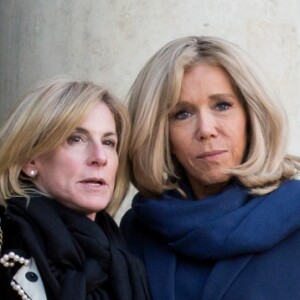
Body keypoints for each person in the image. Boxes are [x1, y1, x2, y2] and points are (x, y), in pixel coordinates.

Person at [120, 35, 300, 300]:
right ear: (162, 134)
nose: (205, 129)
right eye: (182, 113)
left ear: (251, 118)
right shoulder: (139, 229)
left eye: (222, 105)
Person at [0, 77, 151, 300]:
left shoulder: (128, 254)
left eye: (108, 142)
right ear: (30, 159)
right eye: (76, 139)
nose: (100, 158)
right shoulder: (9, 246)